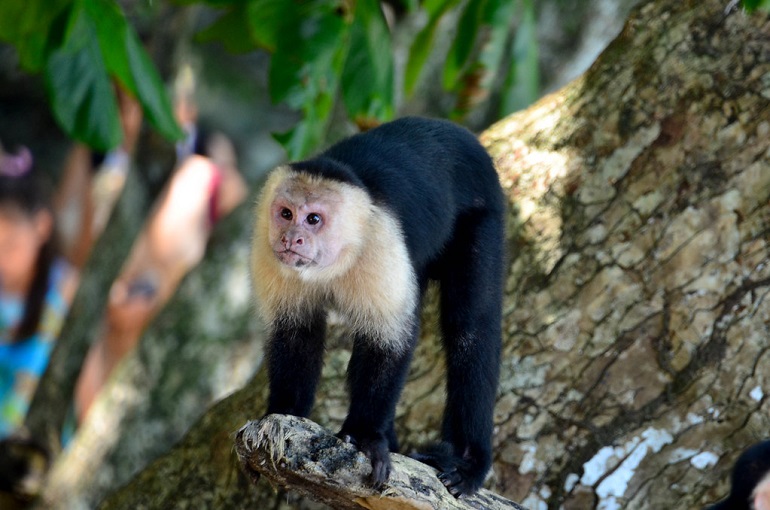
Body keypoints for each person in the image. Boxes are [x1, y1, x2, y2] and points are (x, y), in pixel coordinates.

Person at [73, 73, 247, 421]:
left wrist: (165, 289)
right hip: (106, 338)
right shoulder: (108, 171)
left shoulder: (207, 180)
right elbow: (78, 256)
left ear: (186, 111)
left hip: (178, 342)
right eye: (123, 103)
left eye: (136, 103)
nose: (130, 115)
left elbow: (237, 264)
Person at [0, 145, 78, 438]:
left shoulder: (66, 292)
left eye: (10, 245)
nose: (2, 259)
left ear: (42, 226)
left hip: (37, 450)